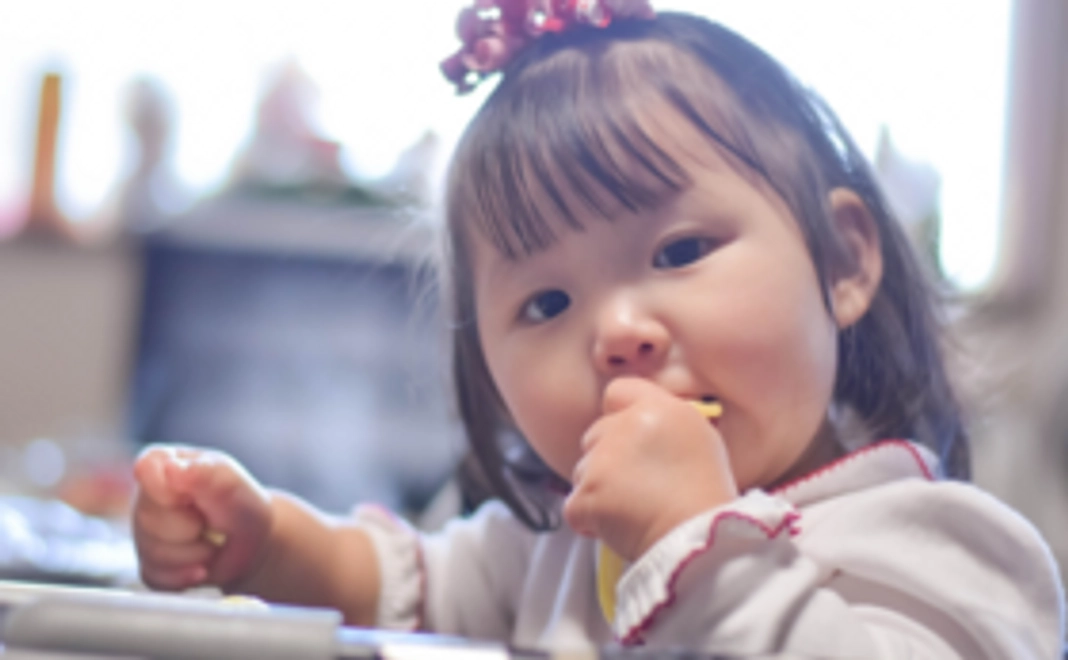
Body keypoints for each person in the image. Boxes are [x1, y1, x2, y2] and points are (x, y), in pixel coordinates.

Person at [131, 2, 1066, 656]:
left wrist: (701, 543)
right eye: (544, 304)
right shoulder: (558, 555)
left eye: (681, 250)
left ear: (844, 262)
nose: (618, 332)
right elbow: (390, 583)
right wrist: (261, 542)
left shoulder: (943, 545)